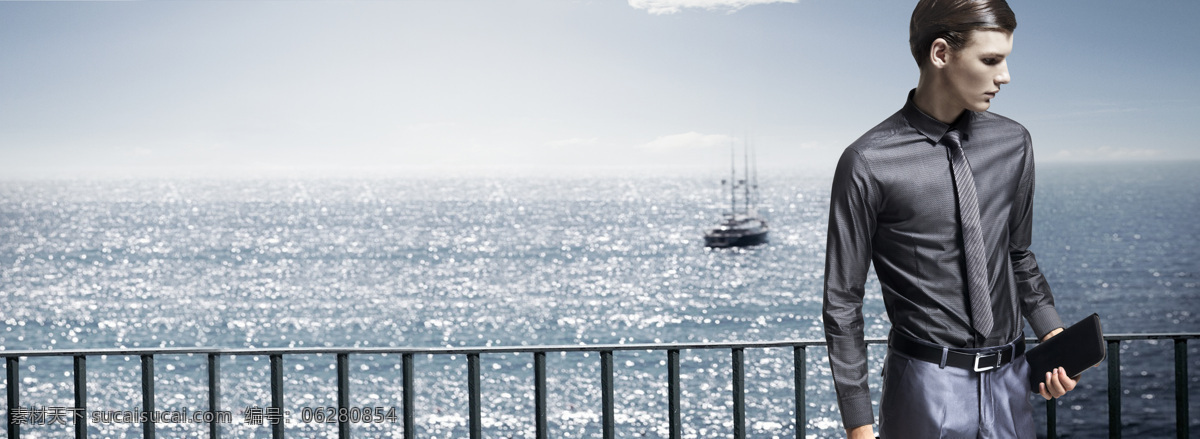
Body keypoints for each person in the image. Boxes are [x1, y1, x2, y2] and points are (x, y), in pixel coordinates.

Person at [821, 1, 1078, 438]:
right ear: (941, 54)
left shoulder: (1014, 142)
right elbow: (843, 303)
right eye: (991, 60)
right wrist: (859, 426)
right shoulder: (867, 162)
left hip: (1012, 382)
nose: (1005, 76)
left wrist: (1052, 334)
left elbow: (1017, 254)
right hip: (924, 387)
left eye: (1006, 59)